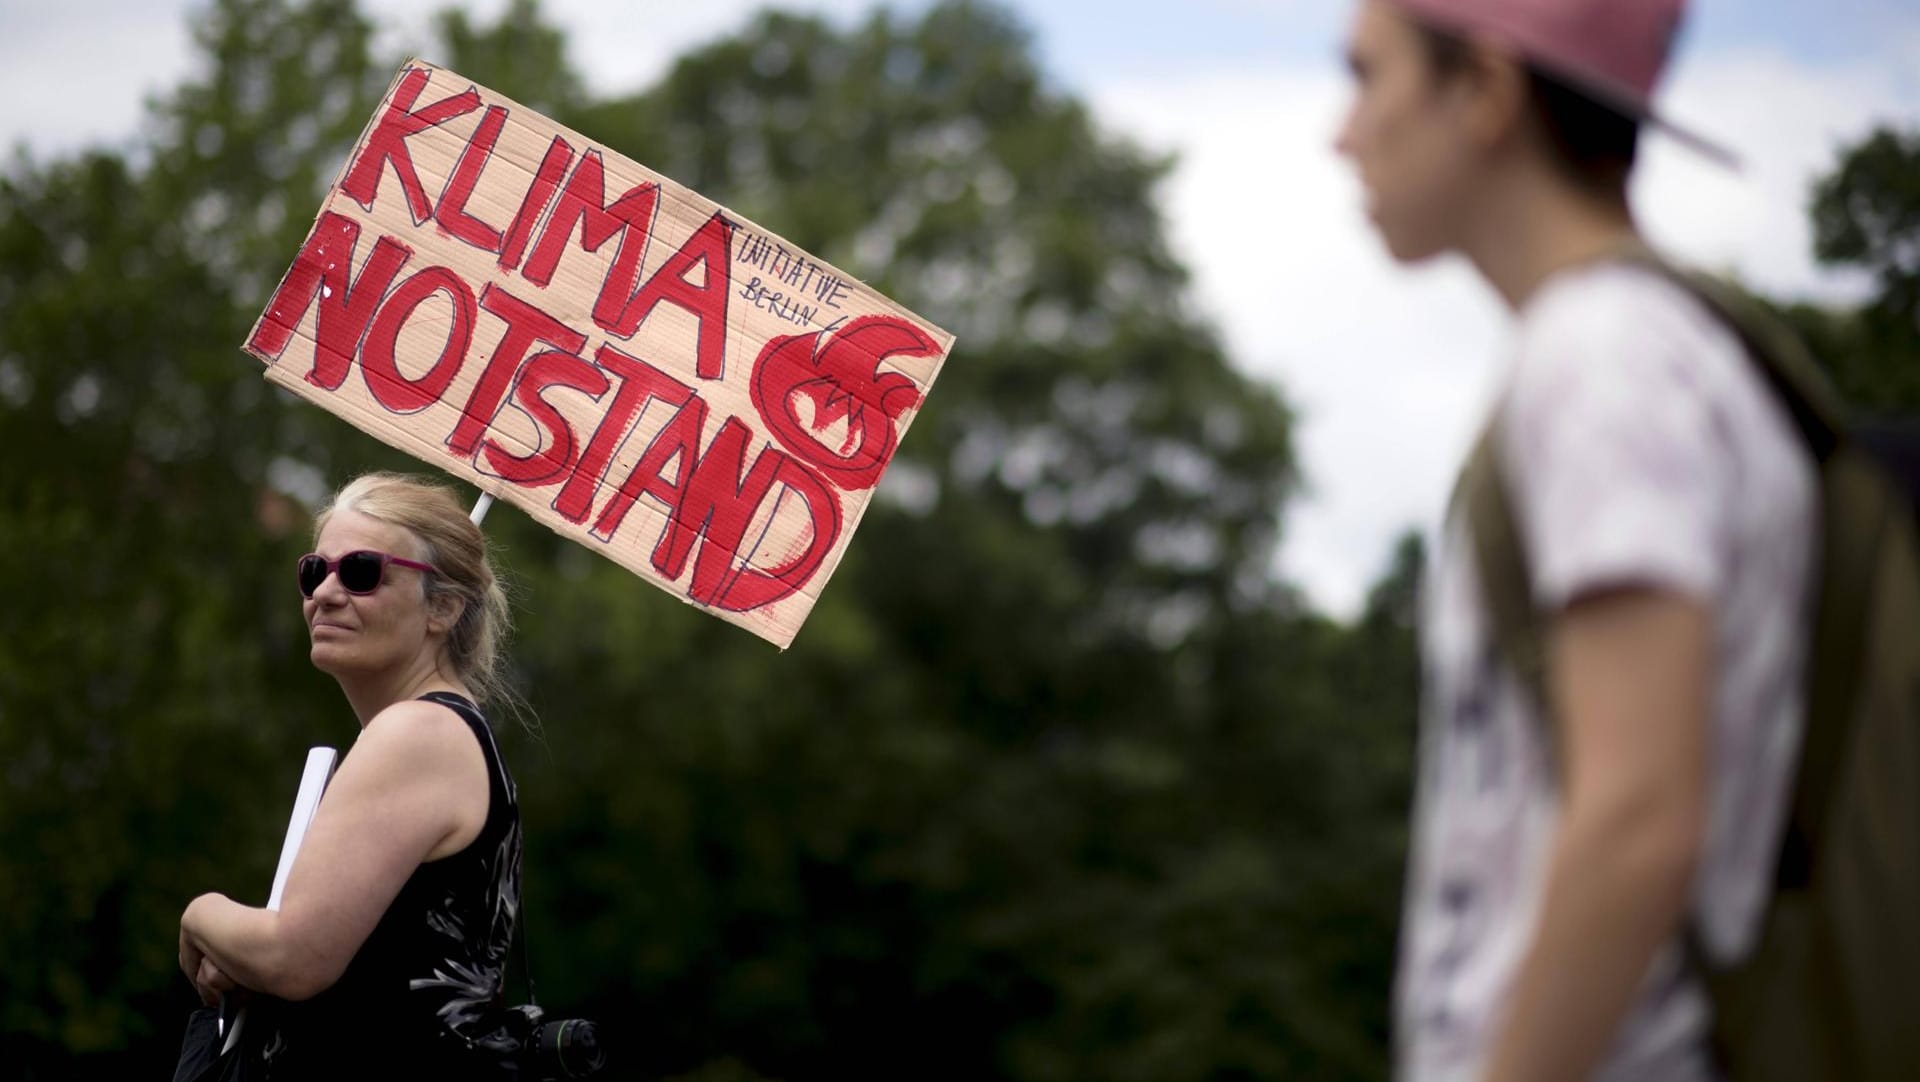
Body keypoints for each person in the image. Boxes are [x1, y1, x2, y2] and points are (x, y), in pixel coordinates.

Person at [1333, 1, 1815, 1079]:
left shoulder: (1603, 361)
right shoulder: (1648, 348)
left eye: (1367, 75)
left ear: (1489, 95)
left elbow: (1639, 817)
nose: (1341, 129)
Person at [178, 472, 528, 1077]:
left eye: (363, 572)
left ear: (443, 607)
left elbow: (296, 955)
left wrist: (200, 914)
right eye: (315, 571)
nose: (327, 593)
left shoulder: (417, 734)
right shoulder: (436, 733)